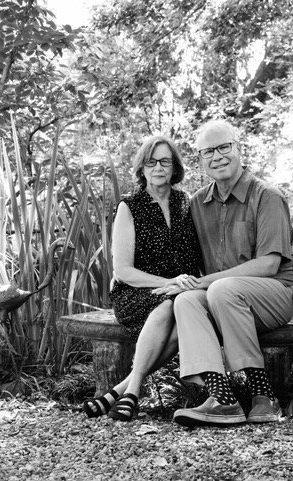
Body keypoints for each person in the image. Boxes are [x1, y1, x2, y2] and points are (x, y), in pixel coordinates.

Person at [154, 119, 293, 426]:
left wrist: (204, 282)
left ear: (239, 149)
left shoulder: (267, 196)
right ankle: (223, 399)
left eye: (224, 147)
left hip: (279, 291)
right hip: (225, 300)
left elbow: (269, 265)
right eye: (208, 151)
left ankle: (264, 395)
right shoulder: (198, 203)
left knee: (221, 289)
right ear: (201, 159)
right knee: (186, 301)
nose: (218, 156)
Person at [82, 135, 200, 422]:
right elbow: (123, 271)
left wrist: (181, 284)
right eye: (151, 162)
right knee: (170, 305)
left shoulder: (185, 203)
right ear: (142, 168)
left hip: (178, 293)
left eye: (165, 161)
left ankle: (119, 391)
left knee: (179, 313)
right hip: (134, 292)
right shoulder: (130, 206)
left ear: (175, 167)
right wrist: (167, 283)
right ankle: (134, 390)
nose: (158, 167)